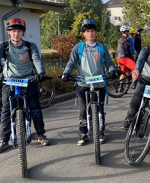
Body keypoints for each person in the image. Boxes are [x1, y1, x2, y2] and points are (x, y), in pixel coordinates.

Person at [61, 18, 117, 146]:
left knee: (100, 109)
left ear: (96, 33)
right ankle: (83, 133)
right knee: (82, 110)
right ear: (83, 34)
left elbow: (109, 63)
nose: (90, 33)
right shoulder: (78, 48)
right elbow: (71, 62)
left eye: (92, 31)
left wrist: (112, 70)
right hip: (83, 83)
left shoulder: (102, 48)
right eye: (87, 31)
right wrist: (66, 73)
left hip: (99, 83)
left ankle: (101, 132)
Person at [0, 18, 50, 153]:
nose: (16, 34)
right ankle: (4, 139)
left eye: (19, 31)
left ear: (23, 33)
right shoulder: (3, 46)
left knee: (35, 108)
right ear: (8, 32)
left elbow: (36, 60)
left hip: (29, 80)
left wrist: (41, 72)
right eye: (13, 31)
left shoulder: (30, 46)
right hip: (9, 81)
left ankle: (40, 134)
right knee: (5, 109)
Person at [117, 25, 136, 91]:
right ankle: (134, 83)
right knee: (135, 68)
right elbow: (127, 50)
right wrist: (131, 58)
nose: (129, 33)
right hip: (124, 58)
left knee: (124, 73)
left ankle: (120, 87)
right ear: (126, 32)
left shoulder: (120, 39)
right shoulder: (125, 40)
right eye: (128, 31)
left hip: (119, 58)